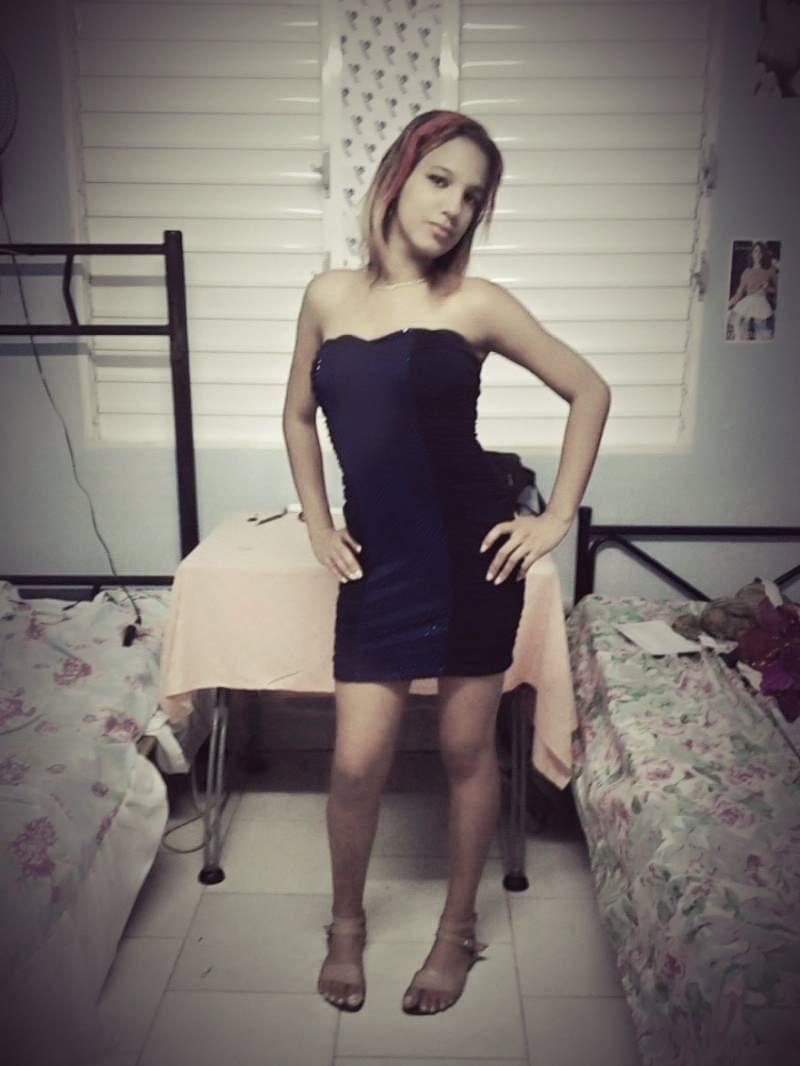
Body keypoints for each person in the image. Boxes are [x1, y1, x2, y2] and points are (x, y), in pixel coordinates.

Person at [281, 110, 611, 1017]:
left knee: (466, 750)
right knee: (357, 762)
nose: (454, 207)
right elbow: (299, 416)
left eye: (473, 197)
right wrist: (317, 524)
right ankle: (346, 925)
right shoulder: (327, 295)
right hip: (379, 562)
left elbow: (589, 388)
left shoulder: (477, 302)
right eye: (441, 181)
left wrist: (554, 515)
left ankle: (457, 931)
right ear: (399, 174)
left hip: (473, 557)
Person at [727, 241, 778, 341]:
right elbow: (739, 293)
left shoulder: (770, 270)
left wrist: (767, 288)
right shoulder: (747, 271)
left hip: (762, 305)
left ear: (763, 254)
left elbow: (778, 290)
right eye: (755, 251)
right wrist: (727, 304)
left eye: (760, 252)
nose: (758, 254)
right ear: (752, 254)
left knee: (763, 336)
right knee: (741, 334)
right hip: (747, 304)